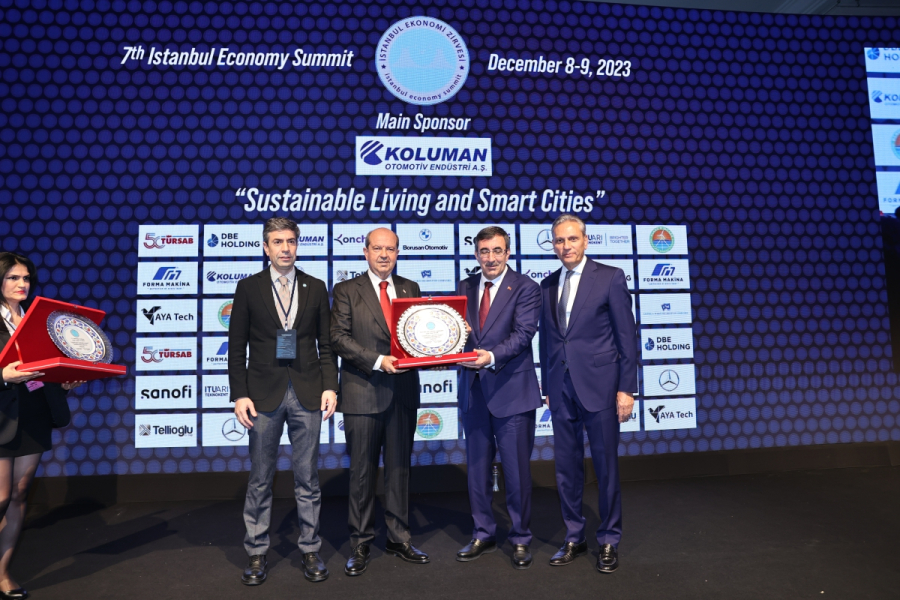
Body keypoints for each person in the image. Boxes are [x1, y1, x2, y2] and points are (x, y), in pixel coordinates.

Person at [230, 218, 338, 585]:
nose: (285, 248)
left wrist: (330, 386)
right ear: (266, 247)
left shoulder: (315, 286)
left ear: (297, 245)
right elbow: (236, 347)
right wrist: (240, 394)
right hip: (262, 396)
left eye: (291, 241)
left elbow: (326, 345)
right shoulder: (248, 287)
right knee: (261, 478)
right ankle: (256, 552)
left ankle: (310, 549)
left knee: (307, 478)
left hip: (308, 392)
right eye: (277, 242)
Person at [538, 214, 637, 573]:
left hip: (602, 388)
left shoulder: (610, 277)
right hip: (561, 389)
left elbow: (627, 338)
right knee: (566, 468)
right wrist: (548, 387)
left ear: (585, 240)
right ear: (553, 245)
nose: (565, 246)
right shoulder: (547, 284)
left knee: (606, 467)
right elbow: (547, 341)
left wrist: (626, 388)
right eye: (559, 241)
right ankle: (574, 537)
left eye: (572, 239)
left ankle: (609, 539)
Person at [330, 227, 428, 576]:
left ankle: (399, 538)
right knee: (361, 472)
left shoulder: (410, 288)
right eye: (377, 248)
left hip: (403, 393)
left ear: (398, 252)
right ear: (366, 252)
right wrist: (376, 360)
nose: (384, 255)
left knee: (400, 470)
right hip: (362, 391)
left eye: (391, 249)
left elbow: (419, 334)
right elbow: (337, 337)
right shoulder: (346, 290)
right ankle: (360, 542)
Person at [455, 226, 542, 570]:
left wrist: (489, 356)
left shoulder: (526, 287)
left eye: (497, 250)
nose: (490, 258)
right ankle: (483, 533)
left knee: (516, 471)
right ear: (476, 254)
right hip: (473, 391)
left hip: (512, 393)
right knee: (477, 469)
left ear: (507, 252)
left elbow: (523, 334)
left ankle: (520, 537)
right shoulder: (464, 287)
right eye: (484, 251)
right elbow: (456, 333)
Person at [0, 253, 83, 600]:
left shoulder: (38, 320)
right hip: (1, 415)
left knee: (19, 494)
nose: (22, 284)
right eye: (13, 278)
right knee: (1, 496)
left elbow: (45, 370)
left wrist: (64, 382)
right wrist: (2, 376)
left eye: (26, 278)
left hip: (34, 413)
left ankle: (2, 573)